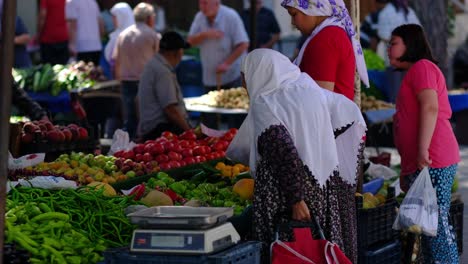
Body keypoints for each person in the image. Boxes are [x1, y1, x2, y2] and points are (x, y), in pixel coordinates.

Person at [227, 49, 366, 263]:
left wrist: (296, 200)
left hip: (285, 194)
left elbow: (284, 151)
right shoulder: (307, 88)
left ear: (259, 72)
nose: (244, 84)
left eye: (245, 76)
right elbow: (348, 110)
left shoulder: (266, 102)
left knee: (289, 251)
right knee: (315, 250)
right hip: (319, 187)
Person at [389, 24, 460, 263]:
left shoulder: (422, 67)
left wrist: (421, 152)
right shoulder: (416, 72)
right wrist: (408, 168)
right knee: (428, 229)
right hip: (425, 162)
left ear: (410, 44)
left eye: (394, 43)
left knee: (436, 226)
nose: (389, 49)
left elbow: (430, 107)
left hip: (434, 158)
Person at [282, 0, 369, 101]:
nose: (292, 22)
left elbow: (319, 100)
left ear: (312, 8)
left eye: (294, 14)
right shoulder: (332, 33)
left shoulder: (326, 39)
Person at [187, 0, 249, 128]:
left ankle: (235, 145)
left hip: (232, 75)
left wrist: (227, 63)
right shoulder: (199, 17)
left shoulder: (231, 16)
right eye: (200, 3)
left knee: (235, 118)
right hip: (209, 77)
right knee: (209, 119)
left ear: (216, 3)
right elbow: (190, 41)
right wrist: (205, 34)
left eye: (205, 3)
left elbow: (243, 44)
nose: (202, 7)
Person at [113, 2, 160, 139]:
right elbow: (159, 61)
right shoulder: (152, 35)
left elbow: (116, 60)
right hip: (145, 82)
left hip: (126, 81)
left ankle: (128, 150)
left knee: (130, 119)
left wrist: (118, 81)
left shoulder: (123, 35)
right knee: (146, 120)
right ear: (150, 18)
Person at [137, 31, 191, 141]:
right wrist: (190, 132)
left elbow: (136, 100)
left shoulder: (152, 64)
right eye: (182, 51)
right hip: (160, 130)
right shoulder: (162, 71)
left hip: (150, 128)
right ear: (176, 53)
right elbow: (170, 109)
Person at [375, 0, 421, 103]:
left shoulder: (409, 12)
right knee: (395, 96)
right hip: (394, 63)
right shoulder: (385, 13)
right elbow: (384, 35)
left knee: (410, 95)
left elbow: (418, 31)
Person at [65, 0, 104, 65]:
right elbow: (101, 24)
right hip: (96, 46)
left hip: (80, 47)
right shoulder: (93, 2)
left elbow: (72, 24)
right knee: (95, 74)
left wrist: (71, 45)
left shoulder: (71, 2)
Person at [37, 0, 69, 65]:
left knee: (48, 69)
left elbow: (42, 16)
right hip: (63, 37)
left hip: (48, 38)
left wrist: (38, 34)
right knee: (62, 69)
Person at [104, 2, 135, 67]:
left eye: (115, 17)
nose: (113, 20)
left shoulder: (131, 35)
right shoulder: (116, 34)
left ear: (122, 16)